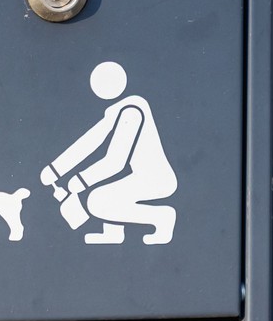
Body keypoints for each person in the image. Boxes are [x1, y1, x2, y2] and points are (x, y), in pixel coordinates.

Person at [40, 61, 177, 245]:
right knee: (105, 191)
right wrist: (55, 170)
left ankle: (161, 218)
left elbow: (115, 161)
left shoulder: (132, 111)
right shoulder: (117, 110)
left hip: (156, 179)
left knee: (97, 200)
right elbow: (89, 142)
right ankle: (113, 232)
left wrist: (80, 181)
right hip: (138, 176)